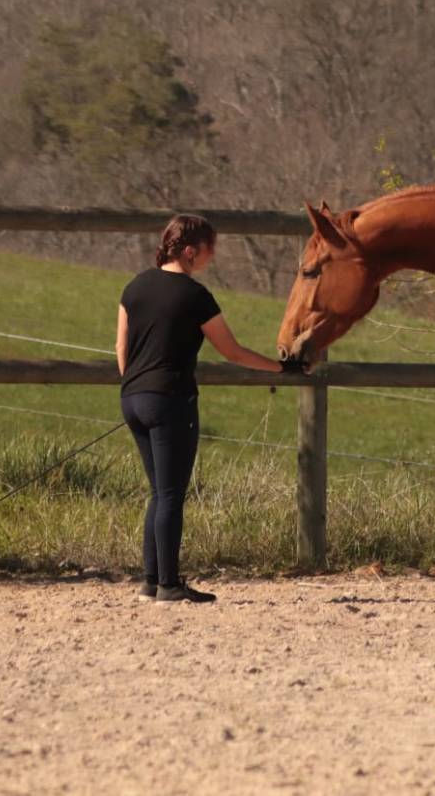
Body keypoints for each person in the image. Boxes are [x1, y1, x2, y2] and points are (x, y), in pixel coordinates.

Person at [115, 214, 281, 604]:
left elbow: (121, 348)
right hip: (171, 401)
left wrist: (135, 386)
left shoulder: (134, 286)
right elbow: (232, 351)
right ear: (190, 251)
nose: (213, 256)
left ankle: (151, 579)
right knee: (171, 494)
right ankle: (170, 585)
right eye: (210, 249)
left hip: (132, 398)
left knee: (158, 493)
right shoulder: (194, 296)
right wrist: (282, 367)